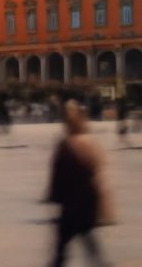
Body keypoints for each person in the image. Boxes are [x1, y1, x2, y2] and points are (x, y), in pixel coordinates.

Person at [46, 100, 114, 267]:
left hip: (71, 205)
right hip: (88, 202)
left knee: (62, 250)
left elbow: (58, 176)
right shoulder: (90, 143)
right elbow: (99, 172)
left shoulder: (65, 145)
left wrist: (54, 197)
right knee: (88, 243)